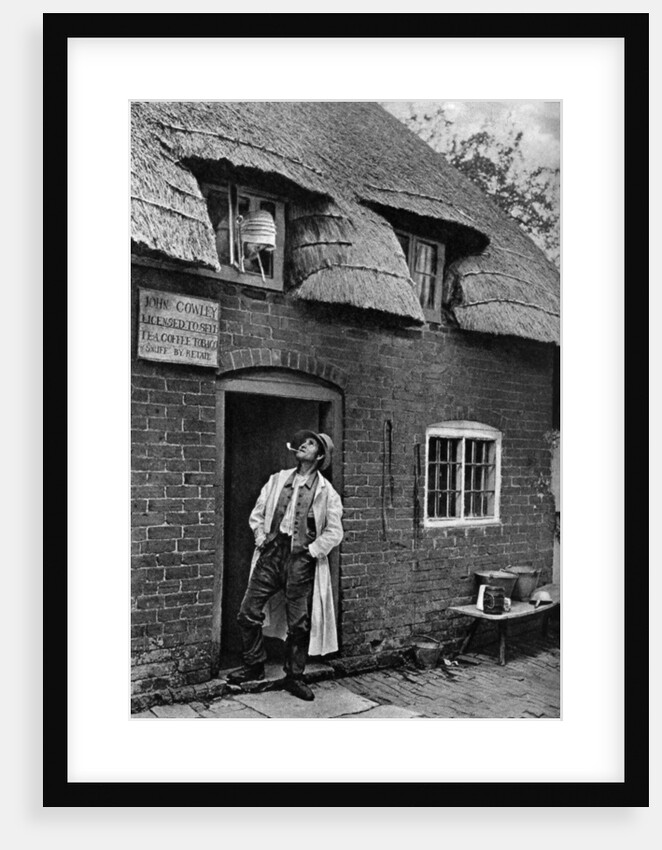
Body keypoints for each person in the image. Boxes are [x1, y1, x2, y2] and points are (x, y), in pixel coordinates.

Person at [227, 430, 343, 701]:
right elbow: (257, 513)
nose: (303, 445)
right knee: (248, 612)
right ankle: (254, 665)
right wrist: (261, 538)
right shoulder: (278, 480)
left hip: (300, 560)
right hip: (273, 554)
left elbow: (334, 532)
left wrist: (311, 551)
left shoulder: (328, 493)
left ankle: (295, 676)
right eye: (302, 442)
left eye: (311, 443)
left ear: (320, 455)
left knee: (299, 624)